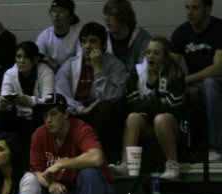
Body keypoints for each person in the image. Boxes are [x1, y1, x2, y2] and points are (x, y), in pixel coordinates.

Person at [30, 93, 115, 194]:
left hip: (95, 193)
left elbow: (96, 158)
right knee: (31, 185)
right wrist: (50, 184)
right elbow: (36, 171)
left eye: (53, 114)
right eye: (45, 116)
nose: (49, 120)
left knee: (89, 173)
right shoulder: (40, 134)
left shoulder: (81, 129)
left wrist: (61, 164)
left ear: (66, 114)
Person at [170, 0, 222, 162]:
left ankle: (218, 148)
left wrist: (187, 80)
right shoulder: (182, 32)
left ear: (208, 9)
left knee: (210, 84)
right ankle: (177, 152)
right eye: (187, 8)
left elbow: (219, 68)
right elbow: (169, 67)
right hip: (193, 83)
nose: (189, 12)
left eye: (195, 8)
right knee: (168, 87)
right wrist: (183, 86)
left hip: (220, 82)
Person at [113, 37, 186, 181]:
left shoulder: (174, 73)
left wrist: (147, 104)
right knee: (133, 117)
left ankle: (172, 165)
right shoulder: (137, 72)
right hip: (147, 125)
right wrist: (157, 101)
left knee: (161, 119)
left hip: (171, 127)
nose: (151, 56)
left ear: (165, 56)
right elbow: (132, 104)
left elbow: (176, 106)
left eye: (156, 53)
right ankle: (125, 165)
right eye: (148, 52)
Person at [55, 22, 128, 164]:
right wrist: (81, 109)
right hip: (77, 111)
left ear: (103, 45)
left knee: (105, 107)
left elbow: (112, 96)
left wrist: (98, 69)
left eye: (93, 41)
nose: (88, 46)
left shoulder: (116, 65)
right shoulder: (70, 65)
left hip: (102, 113)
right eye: (84, 41)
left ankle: (103, 160)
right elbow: (61, 94)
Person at [0, 42, 55, 141]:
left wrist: (30, 101)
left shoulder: (46, 72)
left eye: (26, 57)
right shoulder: (10, 73)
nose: (21, 61)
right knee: (2, 116)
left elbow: (49, 101)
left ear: (35, 59)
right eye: (18, 57)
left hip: (39, 118)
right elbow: (3, 101)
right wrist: (2, 101)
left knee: (40, 115)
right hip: (18, 117)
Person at [102, 0, 151, 73]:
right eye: (106, 14)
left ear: (124, 17)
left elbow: (144, 69)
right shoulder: (103, 37)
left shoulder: (142, 38)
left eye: (111, 15)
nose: (107, 19)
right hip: (110, 82)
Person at [37, 0, 82, 71]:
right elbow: (37, 57)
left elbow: (81, 59)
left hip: (74, 72)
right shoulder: (45, 35)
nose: (56, 15)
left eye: (61, 11)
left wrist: (59, 68)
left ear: (70, 17)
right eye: (54, 11)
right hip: (53, 72)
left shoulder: (79, 34)